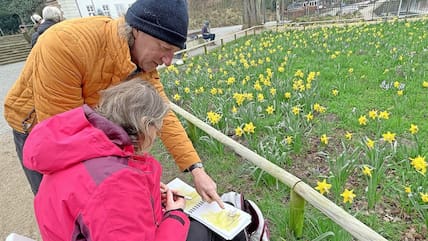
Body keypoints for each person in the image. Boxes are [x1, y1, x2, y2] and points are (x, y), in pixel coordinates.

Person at [4, 0, 221, 207]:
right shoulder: (66, 44)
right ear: (137, 29)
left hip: (89, 119)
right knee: (61, 202)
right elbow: (62, 135)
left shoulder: (141, 63)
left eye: (173, 52)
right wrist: (133, 177)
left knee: (103, 199)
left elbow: (163, 116)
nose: (168, 61)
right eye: (164, 48)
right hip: (37, 128)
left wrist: (197, 169)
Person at [23, 79, 270, 241]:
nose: (158, 134)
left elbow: (98, 212)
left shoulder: (79, 148)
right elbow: (110, 203)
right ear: (145, 126)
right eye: (158, 127)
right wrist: (174, 214)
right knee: (205, 231)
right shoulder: (114, 184)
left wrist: (148, 195)